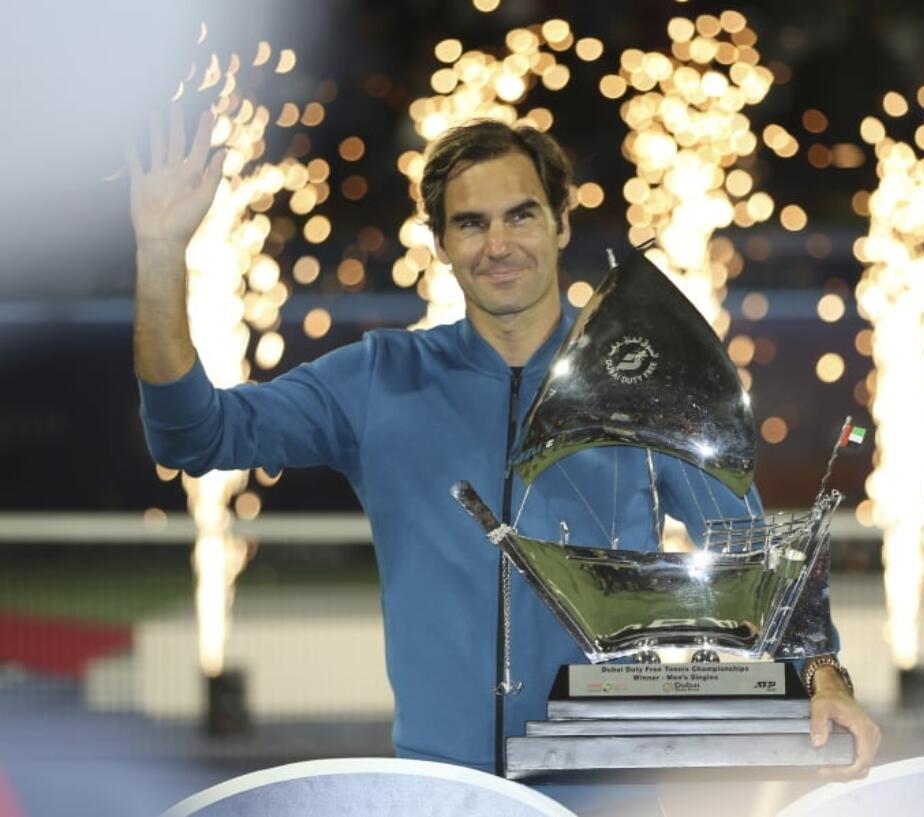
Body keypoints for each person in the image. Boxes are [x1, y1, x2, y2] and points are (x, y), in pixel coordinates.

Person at [128, 104, 882, 785]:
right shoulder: (377, 380)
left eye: (520, 216)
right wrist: (160, 252)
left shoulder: (645, 376)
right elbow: (193, 434)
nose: (498, 244)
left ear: (560, 223)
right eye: (470, 223)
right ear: (441, 244)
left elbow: (753, 553)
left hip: (609, 792)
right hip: (440, 795)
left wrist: (823, 674)